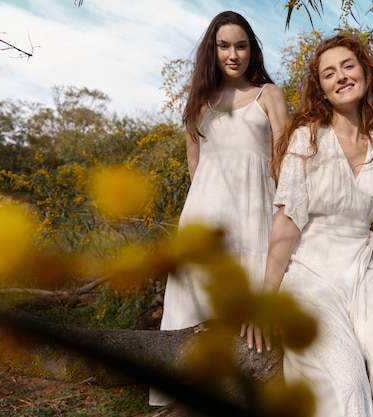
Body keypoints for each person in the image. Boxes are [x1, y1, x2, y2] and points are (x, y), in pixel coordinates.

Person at [249, 35, 373, 417]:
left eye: (348, 66)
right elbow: (287, 222)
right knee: (345, 383)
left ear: (366, 71)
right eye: (328, 73)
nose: (340, 77)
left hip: (367, 274)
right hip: (311, 275)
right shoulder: (307, 139)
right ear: (320, 89)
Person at [149, 10, 288, 407]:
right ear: (212, 50)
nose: (233, 54)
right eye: (224, 45)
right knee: (195, 305)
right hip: (205, 217)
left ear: (252, 50)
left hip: (256, 213)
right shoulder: (198, 103)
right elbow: (196, 167)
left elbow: (284, 159)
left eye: (241, 45)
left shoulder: (269, 94)